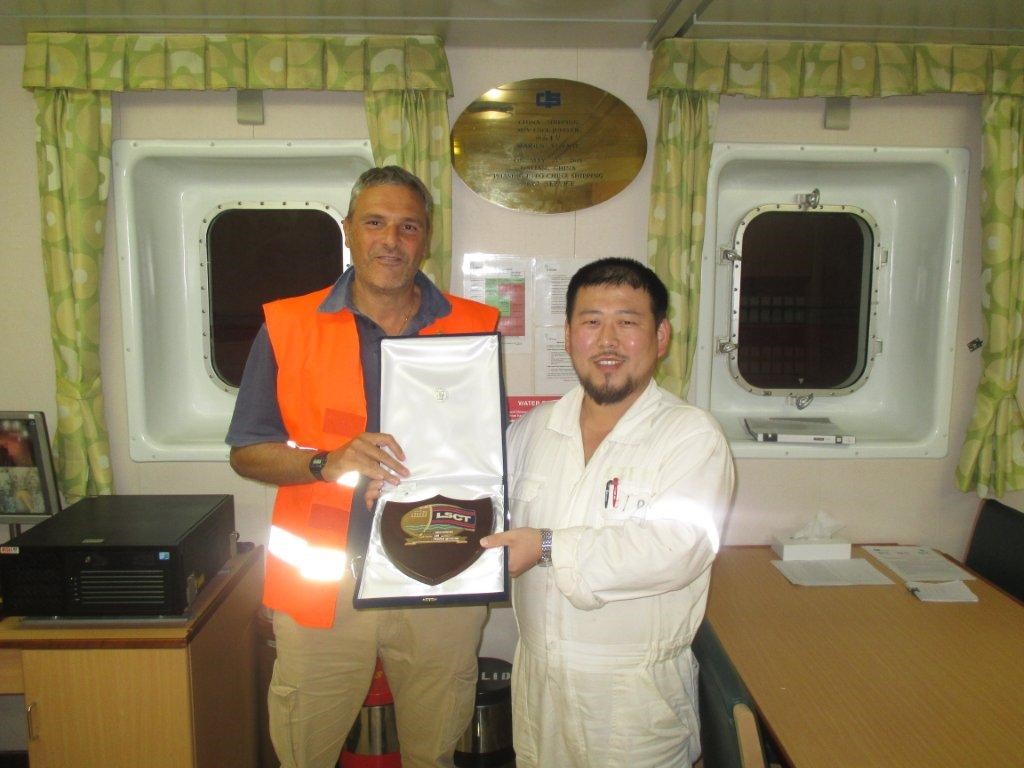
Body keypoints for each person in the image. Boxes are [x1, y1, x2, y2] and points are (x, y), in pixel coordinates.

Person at [227, 165, 499, 768]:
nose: (390, 240)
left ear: (426, 238)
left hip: (439, 572)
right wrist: (324, 462)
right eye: (375, 223)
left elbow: (486, 453)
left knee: (434, 753)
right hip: (324, 582)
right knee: (305, 754)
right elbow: (246, 451)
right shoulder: (287, 325)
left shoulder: (476, 327)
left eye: (408, 226)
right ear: (349, 230)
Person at [481, 257, 735, 767]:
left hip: (635, 700)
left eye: (628, 322)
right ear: (568, 335)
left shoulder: (691, 435)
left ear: (660, 336)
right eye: (591, 322)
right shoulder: (530, 431)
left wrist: (547, 547)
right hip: (541, 690)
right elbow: (481, 510)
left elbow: (679, 548)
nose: (608, 341)